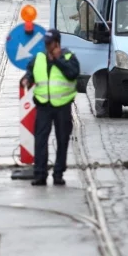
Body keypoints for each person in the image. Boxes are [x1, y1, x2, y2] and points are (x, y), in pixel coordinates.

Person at [23, 29, 79, 186]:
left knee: (62, 140)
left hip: (63, 106)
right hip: (43, 106)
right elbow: (30, 71)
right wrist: (27, 79)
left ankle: (58, 174)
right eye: (45, 43)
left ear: (57, 43)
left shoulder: (68, 56)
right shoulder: (39, 58)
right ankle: (40, 174)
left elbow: (73, 74)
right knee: (40, 140)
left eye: (50, 43)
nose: (47, 46)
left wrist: (57, 60)